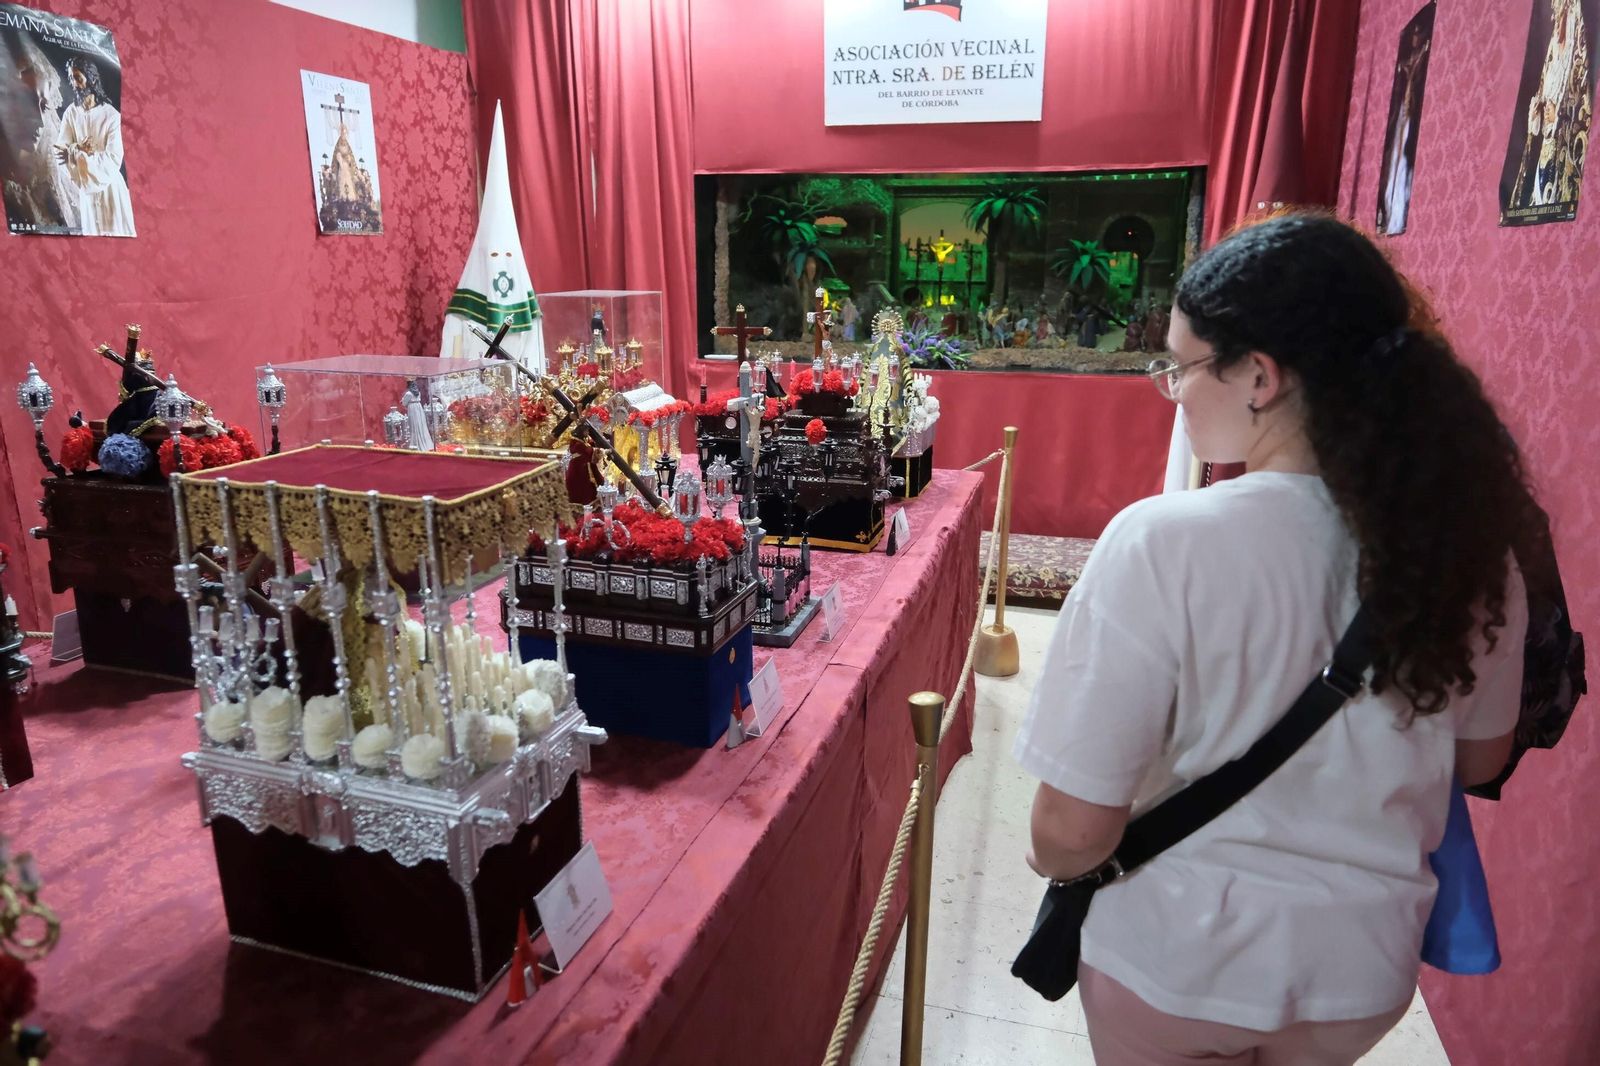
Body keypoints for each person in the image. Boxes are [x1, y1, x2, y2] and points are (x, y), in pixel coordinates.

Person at [1015, 214, 1537, 1066]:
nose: (1173, 390)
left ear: (1259, 375)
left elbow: (1070, 831)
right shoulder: (1475, 552)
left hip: (1174, 958)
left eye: (1181, 366)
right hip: (1360, 970)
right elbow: (1480, 761)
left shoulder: (1162, 542)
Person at [52, 57, 135, 237]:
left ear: (92, 79)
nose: (74, 84)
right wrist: (77, 150)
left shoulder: (111, 116)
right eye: (71, 78)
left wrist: (77, 155)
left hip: (110, 189)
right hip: (87, 192)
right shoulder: (71, 113)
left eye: (78, 78)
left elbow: (113, 158)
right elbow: (60, 150)